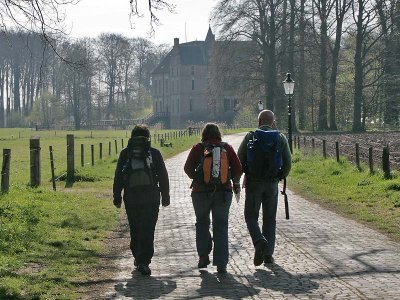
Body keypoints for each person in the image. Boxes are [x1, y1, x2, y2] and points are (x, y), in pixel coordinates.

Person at [184, 123, 242, 274]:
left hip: (200, 193)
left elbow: (187, 168)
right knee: (221, 226)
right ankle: (221, 263)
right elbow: (238, 168)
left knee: (202, 223)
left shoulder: (198, 148)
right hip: (223, 192)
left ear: (204, 134)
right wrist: (230, 179)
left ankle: (203, 255)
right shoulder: (227, 148)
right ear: (218, 134)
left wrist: (199, 179)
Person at [113, 125, 170, 276]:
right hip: (151, 198)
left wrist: (117, 196)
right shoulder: (154, 153)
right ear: (148, 136)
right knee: (148, 229)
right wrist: (165, 196)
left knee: (135, 228)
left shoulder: (125, 153)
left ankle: (138, 257)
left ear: (132, 137)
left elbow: (118, 176)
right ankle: (144, 261)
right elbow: (163, 176)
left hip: (131, 198)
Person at [237, 110, 291, 266]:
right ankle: (268, 254)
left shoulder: (250, 137)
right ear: (273, 122)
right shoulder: (280, 138)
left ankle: (259, 240)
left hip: (254, 183)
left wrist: (236, 180)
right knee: (270, 219)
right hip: (272, 184)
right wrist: (279, 177)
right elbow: (288, 163)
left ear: (258, 121)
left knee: (250, 216)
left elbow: (240, 160)